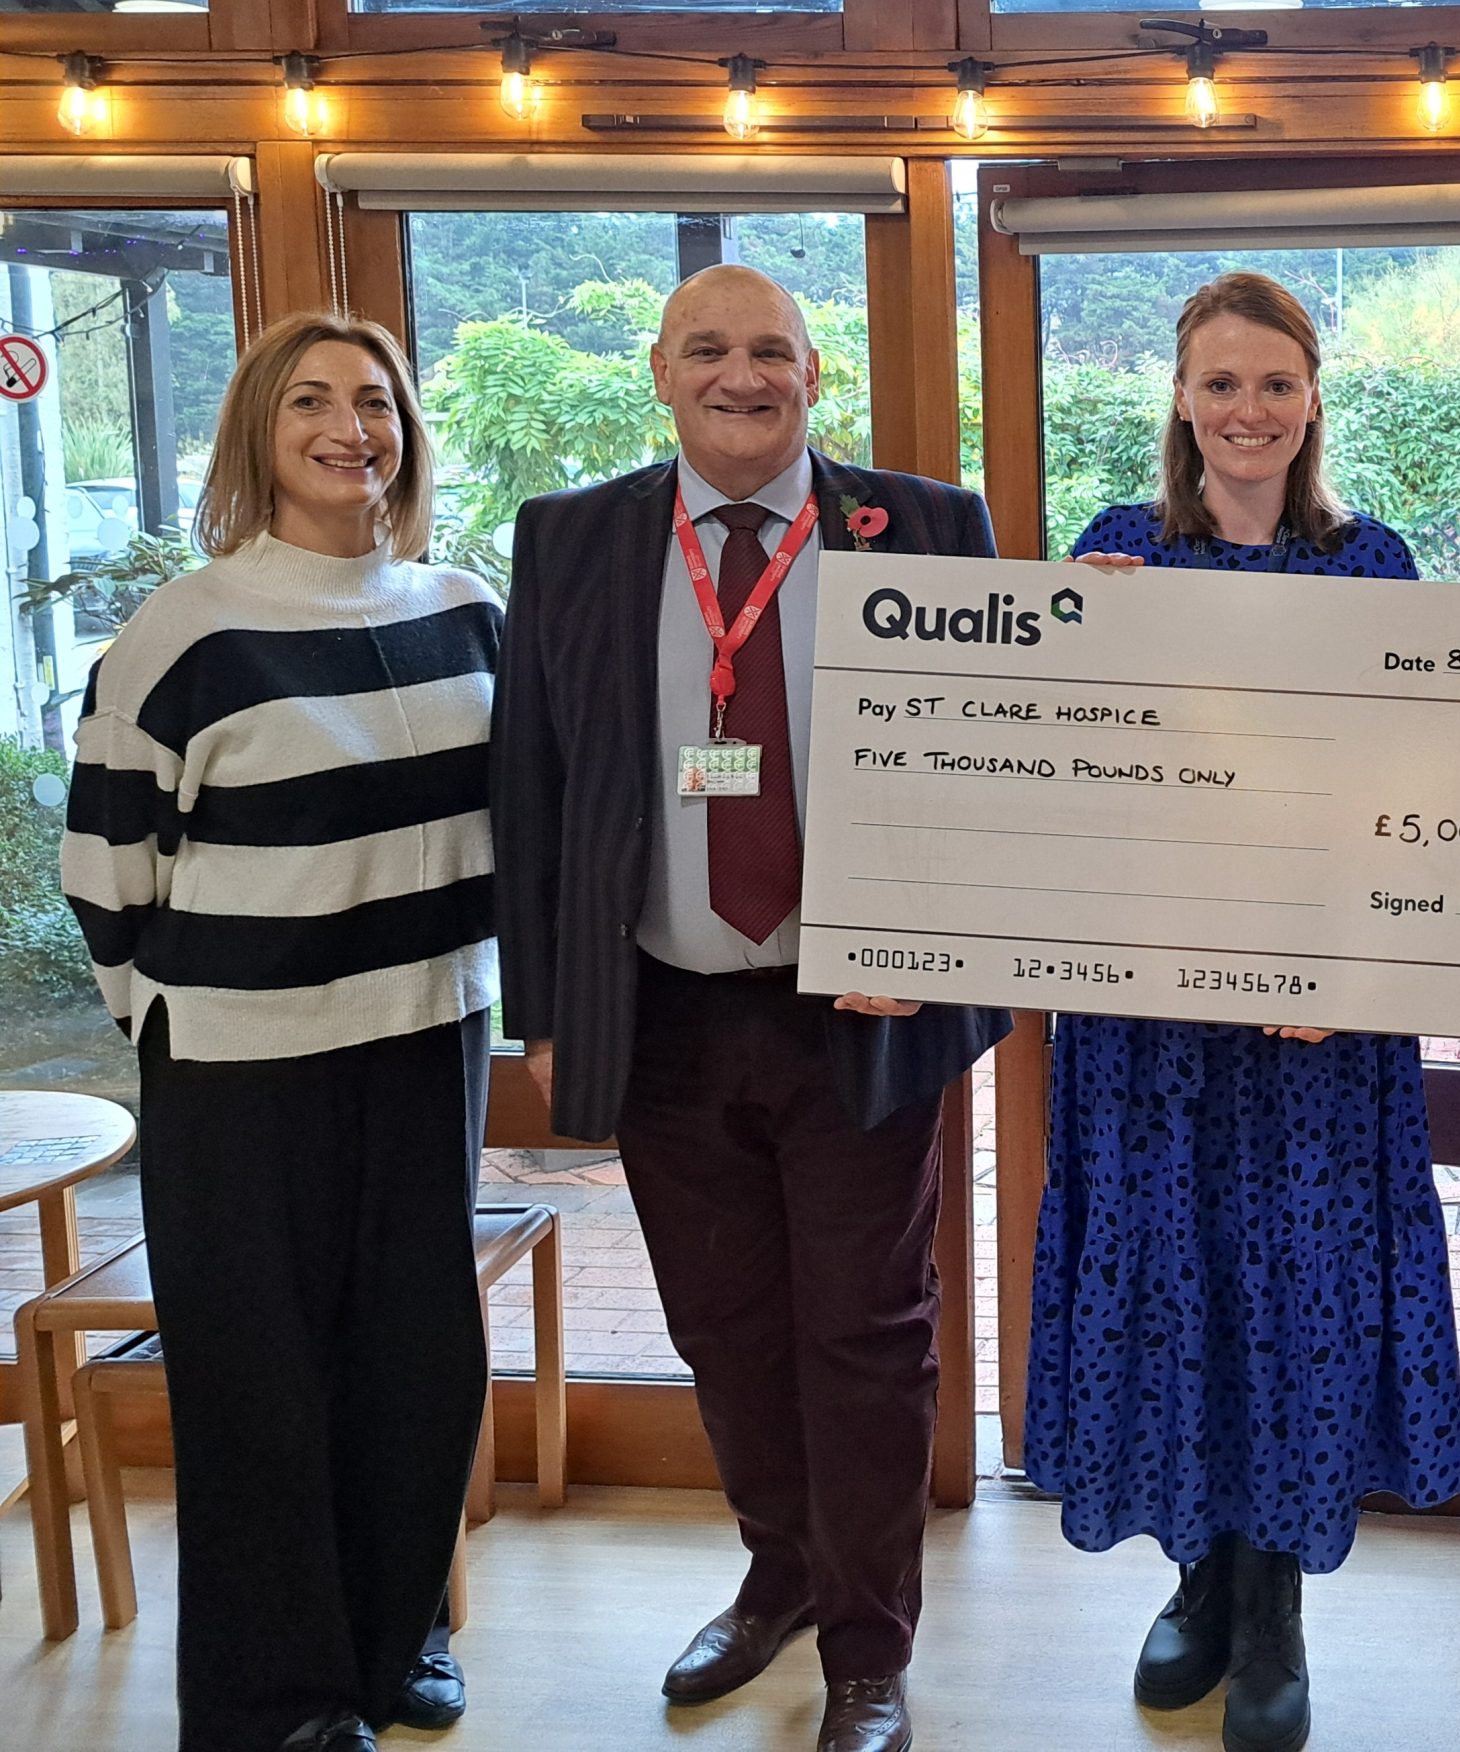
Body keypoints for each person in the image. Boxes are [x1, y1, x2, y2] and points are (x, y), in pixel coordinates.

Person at [488, 265, 1010, 1752]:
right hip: (659, 1011)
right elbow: (530, 781)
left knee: (867, 1335)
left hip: (858, 1013)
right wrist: (548, 1011)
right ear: (660, 372)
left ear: (814, 375)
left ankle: (867, 1649)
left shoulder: (927, 527)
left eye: (771, 349)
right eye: (708, 348)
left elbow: (995, 758)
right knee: (721, 1327)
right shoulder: (573, 537)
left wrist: (944, 947)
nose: (742, 374)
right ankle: (778, 1573)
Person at [1023, 270, 1460, 1752]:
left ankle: (1274, 1599)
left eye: (1276, 382)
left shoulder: (1374, 564)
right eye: (1221, 382)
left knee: (1296, 1291)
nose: (1249, 410)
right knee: (1173, 1284)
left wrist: (1349, 965)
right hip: (1148, 1034)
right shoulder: (1114, 555)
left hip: (1315, 1034)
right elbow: (1062, 775)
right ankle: (1198, 1576)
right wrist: (1074, 644)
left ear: (1312, 399)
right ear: (1181, 399)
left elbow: (1417, 793)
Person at [59, 311, 496, 1752]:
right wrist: (170, 1017)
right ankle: (275, 1704)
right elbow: (107, 869)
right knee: (260, 1380)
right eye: (309, 401)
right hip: (241, 1063)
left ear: (406, 434)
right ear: (257, 430)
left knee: (418, 1359)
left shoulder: (466, 610)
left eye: (374, 402)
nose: (346, 429)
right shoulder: (188, 630)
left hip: (429, 1034)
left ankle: (395, 1641)